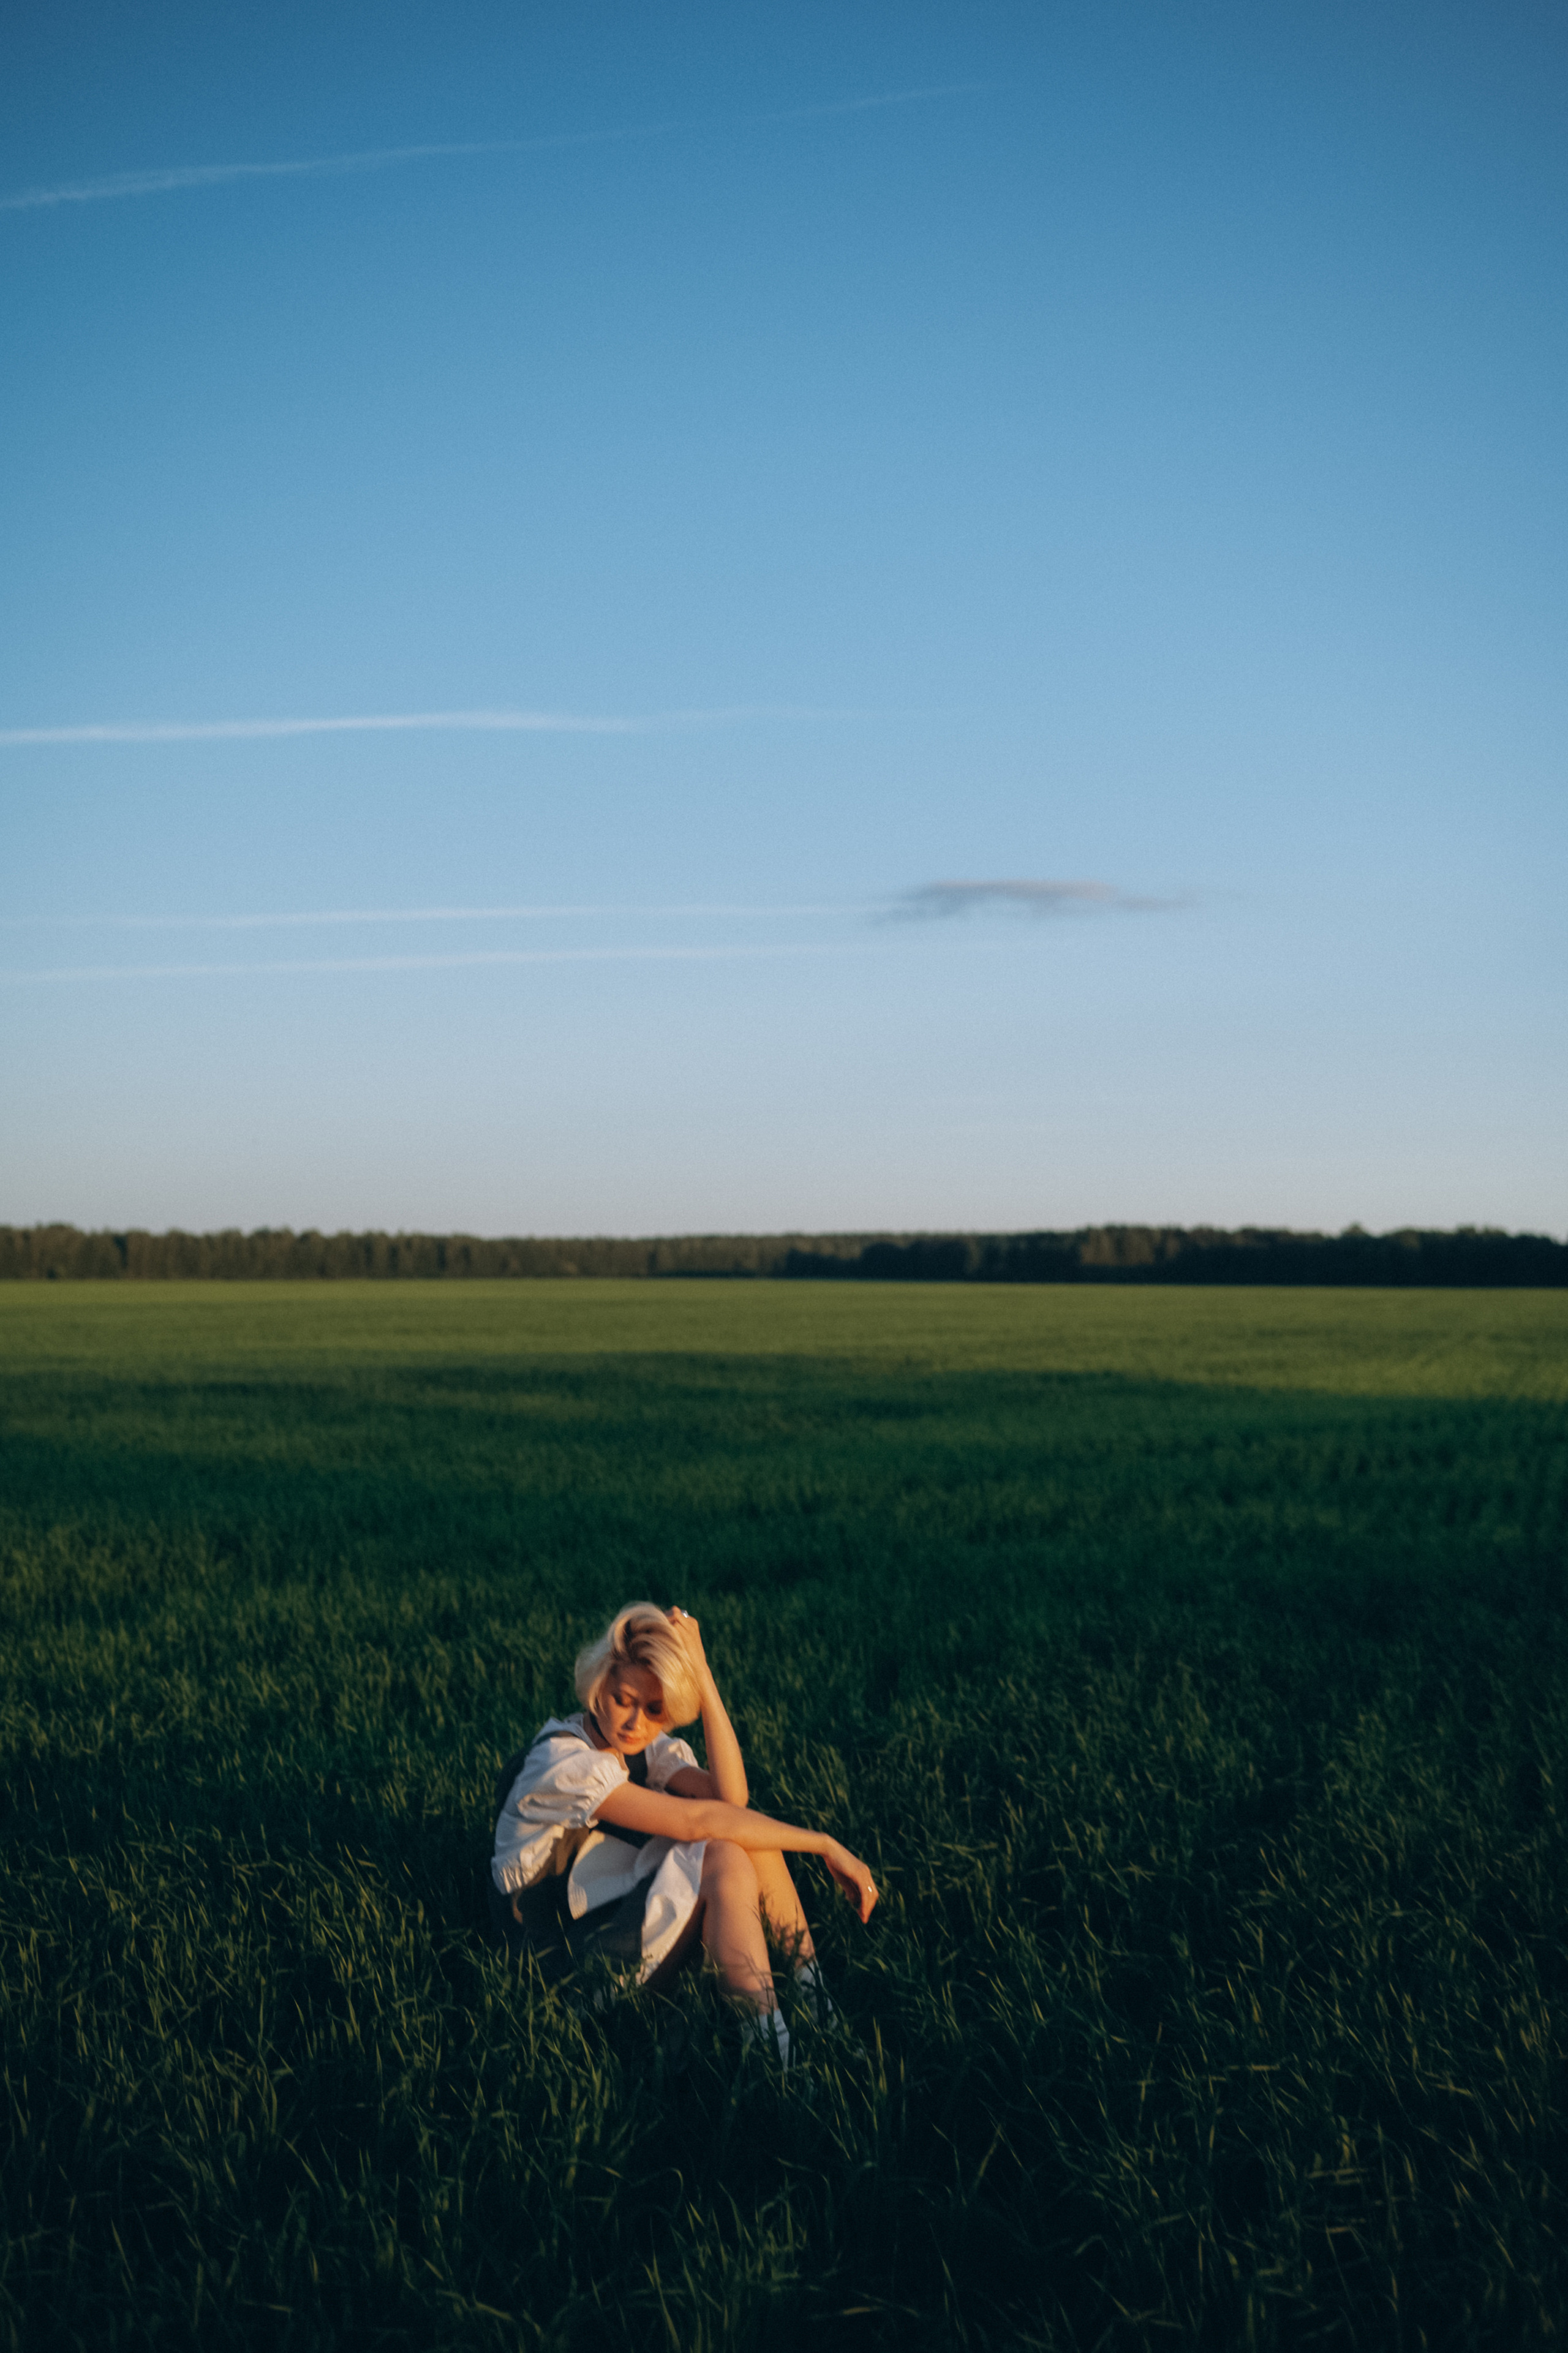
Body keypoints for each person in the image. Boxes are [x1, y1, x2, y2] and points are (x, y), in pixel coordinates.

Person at [489, 1601, 878, 2061]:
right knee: (723, 1850)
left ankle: (819, 2007)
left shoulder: (640, 1745)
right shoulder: (565, 1765)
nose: (636, 1723)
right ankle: (779, 2060)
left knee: (746, 1837)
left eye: (656, 1709)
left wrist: (703, 1674)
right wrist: (825, 1845)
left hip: (606, 1920)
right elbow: (701, 1821)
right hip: (560, 1977)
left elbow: (731, 1801)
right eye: (624, 1701)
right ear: (599, 1687)